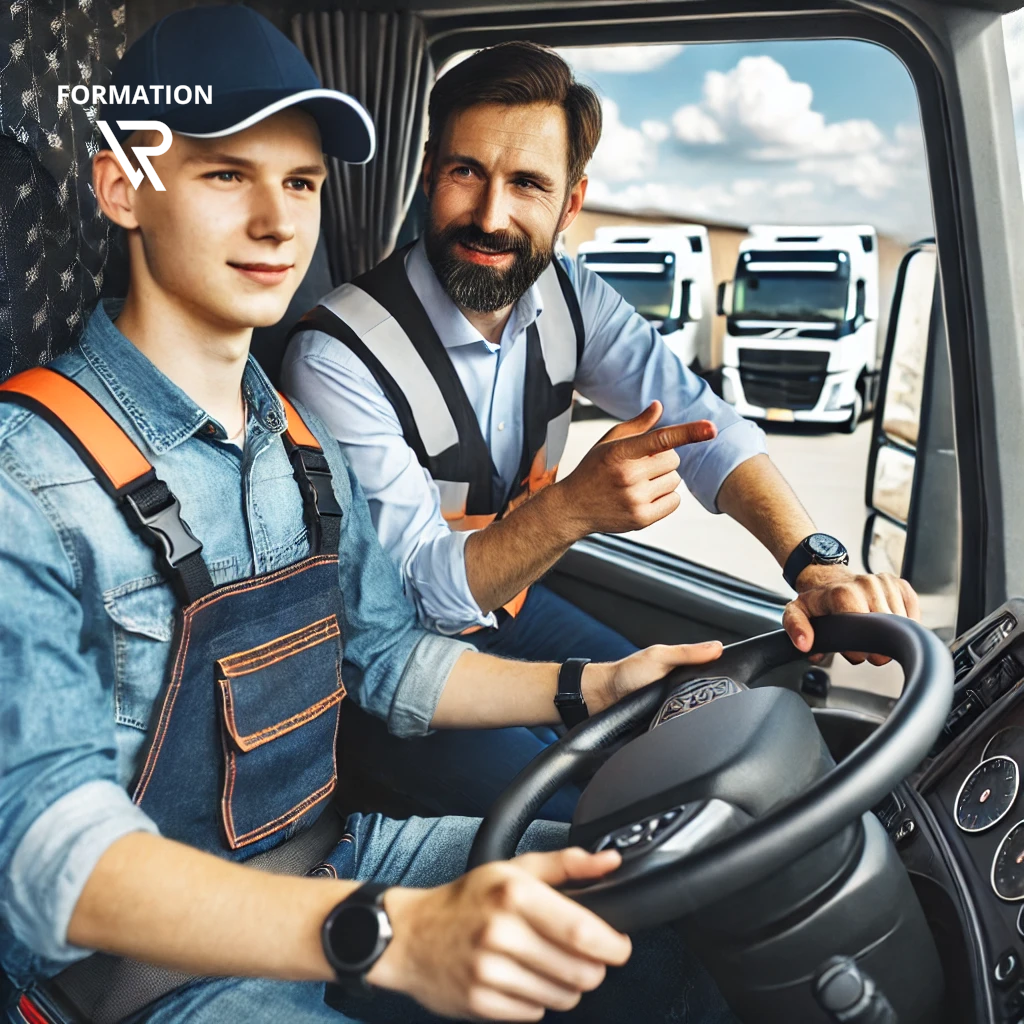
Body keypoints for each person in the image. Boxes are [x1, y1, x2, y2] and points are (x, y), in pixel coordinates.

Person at [0, 8, 737, 1024]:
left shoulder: (297, 445)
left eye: (299, 182)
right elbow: (47, 857)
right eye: (226, 174)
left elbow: (387, 664)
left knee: (656, 901)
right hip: (140, 984)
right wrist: (388, 934)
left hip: (335, 853)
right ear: (124, 186)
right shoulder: (27, 476)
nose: (277, 223)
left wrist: (593, 683)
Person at [281, 41, 921, 819]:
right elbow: (424, 593)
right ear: (426, 172)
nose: (490, 215)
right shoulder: (337, 355)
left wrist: (814, 565)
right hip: (401, 671)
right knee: (595, 826)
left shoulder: (573, 299)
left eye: (526, 184)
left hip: (515, 613)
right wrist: (573, 510)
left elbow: (706, 425)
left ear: (570, 204)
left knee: (707, 727)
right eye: (465, 172)